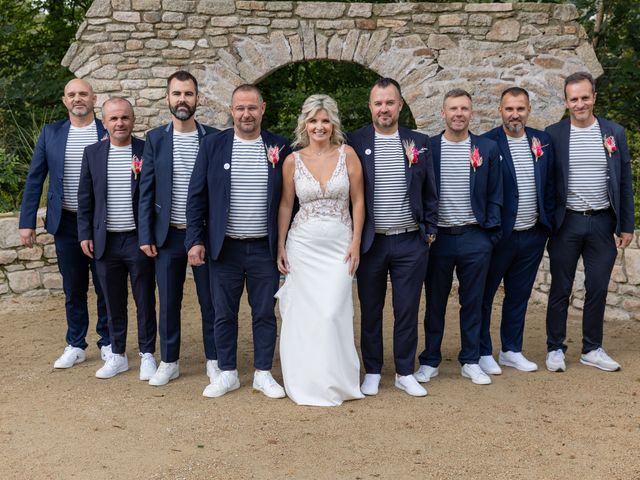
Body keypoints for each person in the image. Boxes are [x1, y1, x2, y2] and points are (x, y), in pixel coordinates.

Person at [186, 84, 292, 398]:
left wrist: (287, 245)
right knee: (223, 312)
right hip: (224, 247)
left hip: (264, 247)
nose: (246, 114)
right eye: (240, 108)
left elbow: (290, 201)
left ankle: (262, 373)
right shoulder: (213, 146)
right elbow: (197, 198)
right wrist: (195, 240)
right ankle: (228, 372)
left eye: (252, 108)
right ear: (231, 111)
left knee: (263, 312)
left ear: (262, 109)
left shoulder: (280, 147)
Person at [348, 78, 438, 397]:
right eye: (378, 103)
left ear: (400, 105)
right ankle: (372, 370)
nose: (384, 108)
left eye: (390, 102)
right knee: (371, 309)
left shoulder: (419, 141)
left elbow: (430, 191)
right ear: (370, 106)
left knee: (407, 308)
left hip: (411, 242)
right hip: (372, 242)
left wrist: (429, 230)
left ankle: (404, 371)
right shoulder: (354, 142)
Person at [275, 94, 365, 406]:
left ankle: (338, 381)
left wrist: (356, 243)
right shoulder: (292, 160)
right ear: (305, 124)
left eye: (325, 120)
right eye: (313, 121)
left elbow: (358, 201)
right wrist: (280, 246)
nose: (319, 126)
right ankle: (306, 380)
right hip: (302, 245)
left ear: (333, 124)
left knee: (332, 312)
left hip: (339, 245)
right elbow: (287, 204)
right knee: (305, 315)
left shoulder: (348, 155)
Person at [544, 71, 634, 372]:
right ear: (566, 102)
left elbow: (623, 182)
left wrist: (626, 225)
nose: (580, 103)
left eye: (585, 97)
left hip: (602, 223)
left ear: (594, 97)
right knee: (561, 287)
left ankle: (592, 348)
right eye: (574, 99)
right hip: (566, 223)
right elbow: (545, 182)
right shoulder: (553, 134)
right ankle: (555, 347)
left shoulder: (614, 133)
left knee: (597, 287)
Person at [18, 78, 110, 369]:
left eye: (83, 93)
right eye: (72, 94)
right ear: (64, 100)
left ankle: (109, 342)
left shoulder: (107, 131)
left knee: (106, 285)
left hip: (101, 223)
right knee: (73, 287)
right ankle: (75, 343)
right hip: (66, 222)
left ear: (94, 99)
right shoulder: (51, 133)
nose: (77, 98)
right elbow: (35, 178)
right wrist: (27, 221)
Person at [415, 88, 502, 386]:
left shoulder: (486, 148)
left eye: (464, 108)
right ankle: (430, 360)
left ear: (471, 113)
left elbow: (495, 193)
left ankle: (471, 359)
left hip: (475, 237)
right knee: (435, 301)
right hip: (438, 238)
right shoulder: (428, 148)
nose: (458, 114)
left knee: (473, 301)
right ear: (443, 113)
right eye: (453, 108)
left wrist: (489, 234)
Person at [138, 71, 219, 386]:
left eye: (188, 93)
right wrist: (145, 234)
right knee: (168, 300)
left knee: (209, 300)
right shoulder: (156, 139)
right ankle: (169, 360)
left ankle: (215, 360)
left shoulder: (213, 138)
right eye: (177, 94)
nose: (182, 99)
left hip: (204, 234)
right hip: (168, 234)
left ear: (197, 98)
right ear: (167, 98)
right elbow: (146, 189)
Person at [77, 98, 157, 380]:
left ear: (133, 121)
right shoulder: (93, 153)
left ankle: (148, 354)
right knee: (112, 300)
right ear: (105, 121)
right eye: (113, 119)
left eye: (124, 118)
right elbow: (85, 198)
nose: (119, 123)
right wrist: (85, 233)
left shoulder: (147, 151)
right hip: (105, 242)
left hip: (139, 240)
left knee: (144, 299)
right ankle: (118, 354)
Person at [479, 87, 555, 374]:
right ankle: (482, 350)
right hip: (500, 236)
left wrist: (546, 225)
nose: (515, 114)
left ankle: (511, 349)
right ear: (500, 110)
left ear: (528, 110)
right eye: (509, 109)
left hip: (533, 234)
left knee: (519, 295)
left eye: (520, 109)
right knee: (484, 296)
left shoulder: (543, 141)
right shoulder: (487, 143)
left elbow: (550, 184)